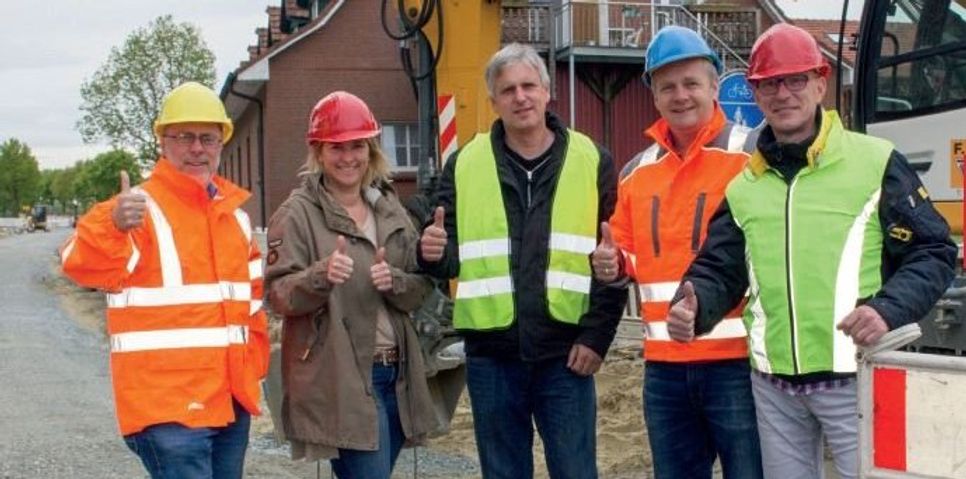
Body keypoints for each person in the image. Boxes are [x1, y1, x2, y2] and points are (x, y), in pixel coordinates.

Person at [666, 24, 957, 479]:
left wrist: (887, 309)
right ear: (756, 93)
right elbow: (720, 268)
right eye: (769, 83)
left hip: (857, 374)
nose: (783, 93)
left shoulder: (874, 162)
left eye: (796, 79)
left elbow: (934, 249)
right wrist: (694, 301)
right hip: (773, 387)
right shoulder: (745, 185)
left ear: (821, 82)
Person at [418, 43, 626, 479]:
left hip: (567, 356)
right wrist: (432, 254)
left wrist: (596, 339)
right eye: (507, 89)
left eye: (529, 85)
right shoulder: (464, 164)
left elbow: (614, 259)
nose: (520, 97)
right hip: (492, 359)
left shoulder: (593, 161)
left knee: (575, 471)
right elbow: (449, 257)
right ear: (493, 101)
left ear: (548, 92)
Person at [60, 81, 269, 479]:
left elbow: (252, 307)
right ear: (162, 142)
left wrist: (251, 370)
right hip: (167, 410)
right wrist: (114, 225)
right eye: (184, 137)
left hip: (230, 400)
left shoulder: (236, 220)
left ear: (221, 143)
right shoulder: (136, 209)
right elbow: (76, 262)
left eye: (207, 138)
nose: (196, 148)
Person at [592, 26, 762, 479]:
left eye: (691, 83)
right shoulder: (636, 172)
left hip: (738, 364)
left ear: (714, 85)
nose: (680, 95)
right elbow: (626, 252)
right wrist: (611, 265)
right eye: (668, 86)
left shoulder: (752, 157)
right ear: (654, 95)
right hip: (664, 367)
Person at [263, 91, 439, 479]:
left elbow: (420, 290)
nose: (348, 158)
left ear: (371, 149)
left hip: (397, 374)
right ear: (318, 152)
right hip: (340, 378)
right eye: (336, 147)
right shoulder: (296, 215)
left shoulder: (389, 207)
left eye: (357, 146)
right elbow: (277, 296)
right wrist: (318, 277)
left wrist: (396, 281)